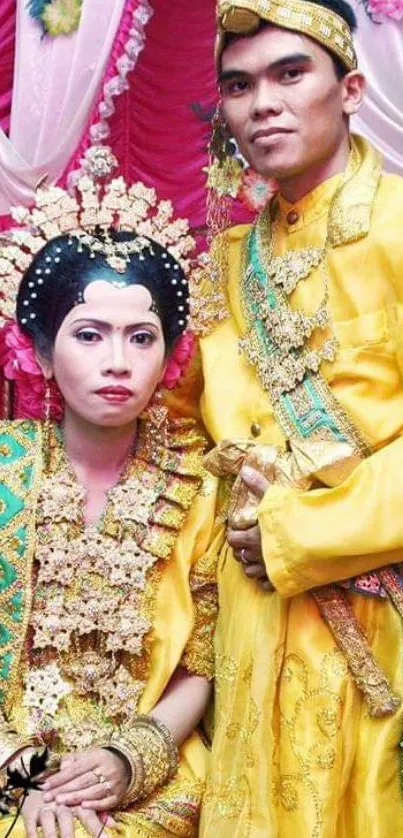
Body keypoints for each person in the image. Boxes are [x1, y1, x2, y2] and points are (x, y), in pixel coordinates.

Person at [194, 0, 403, 835]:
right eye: (239, 86)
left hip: (375, 610)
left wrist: (302, 530)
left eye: (290, 74)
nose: (263, 104)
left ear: (350, 87)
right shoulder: (224, 264)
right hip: (250, 620)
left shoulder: (396, 226)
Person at [0, 171, 224, 838]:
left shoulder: (201, 483)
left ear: (169, 356)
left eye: (141, 336)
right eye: (90, 335)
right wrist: (20, 770)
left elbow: (205, 665)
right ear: (40, 351)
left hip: (148, 774)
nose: (117, 362)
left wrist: (129, 759)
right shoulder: (5, 467)